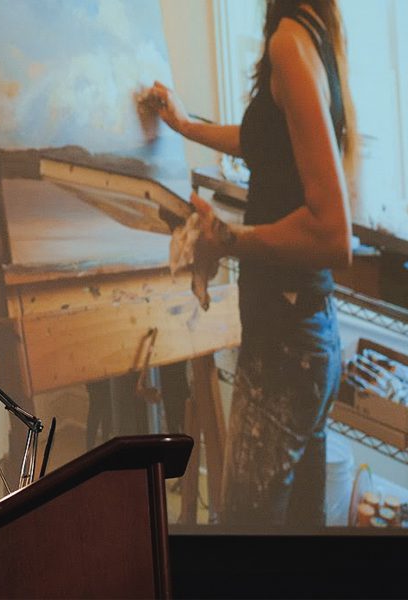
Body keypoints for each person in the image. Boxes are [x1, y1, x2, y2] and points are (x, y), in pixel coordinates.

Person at [147, 0, 359, 529]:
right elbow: (266, 139)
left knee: (245, 529)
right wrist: (185, 125)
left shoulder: (288, 41)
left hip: (287, 345)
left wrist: (227, 239)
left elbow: (333, 233)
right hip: (307, 335)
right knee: (298, 530)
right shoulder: (311, 31)